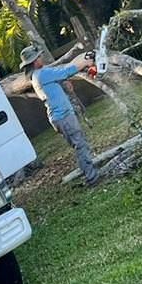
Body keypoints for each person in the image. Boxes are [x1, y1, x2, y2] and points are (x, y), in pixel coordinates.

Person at [20, 44, 100, 185]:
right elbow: (66, 71)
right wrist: (86, 62)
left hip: (58, 117)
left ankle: (88, 172)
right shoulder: (42, 74)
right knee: (80, 144)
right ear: (34, 61)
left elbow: (58, 77)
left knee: (78, 145)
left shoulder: (37, 75)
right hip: (63, 116)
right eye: (38, 57)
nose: (41, 58)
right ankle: (92, 177)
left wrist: (64, 83)